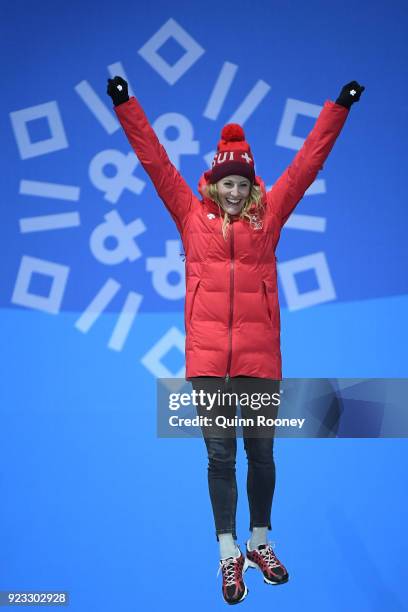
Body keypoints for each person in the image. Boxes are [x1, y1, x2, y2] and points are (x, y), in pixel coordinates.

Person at [107, 76, 365, 604]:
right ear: (212, 183)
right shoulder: (188, 216)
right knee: (220, 459)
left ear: (252, 187)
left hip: (260, 360)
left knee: (263, 457)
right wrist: (124, 102)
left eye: (242, 185)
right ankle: (228, 553)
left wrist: (339, 106)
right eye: (226, 183)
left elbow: (308, 164)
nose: (233, 191)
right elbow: (154, 160)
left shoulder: (268, 220)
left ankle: (260, 542)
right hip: (208, 364)